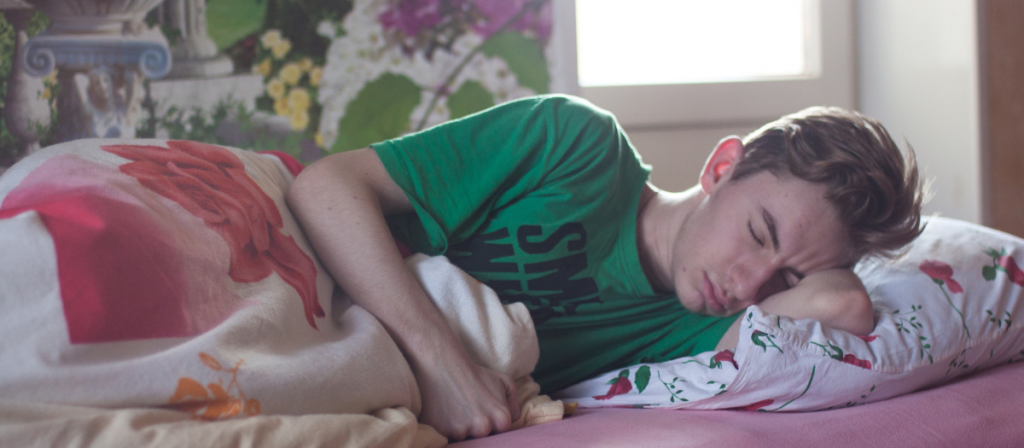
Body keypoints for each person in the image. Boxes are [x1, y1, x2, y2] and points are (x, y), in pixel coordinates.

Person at [286, 94, 923, 440]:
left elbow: (847, 306)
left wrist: (820, 266)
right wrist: (442, 363)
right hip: (306, 267)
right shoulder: (576, 145)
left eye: (789, 278)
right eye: (759, 233)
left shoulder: (692, 333)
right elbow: (326, 189)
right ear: (722, 167)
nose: (750, 286)